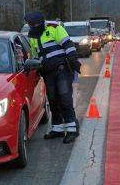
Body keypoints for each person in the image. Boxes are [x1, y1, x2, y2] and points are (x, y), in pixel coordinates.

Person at [24, 11, 81, 144]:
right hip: (47, 72)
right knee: (53, 101)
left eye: (34, 24)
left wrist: (73, 60)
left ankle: (72, 130)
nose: (32, 26)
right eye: (30, 24)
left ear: (40, 22)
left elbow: (68, 45)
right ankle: (58, 129)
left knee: (65, 99)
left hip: (62, 69)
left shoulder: (54, 28)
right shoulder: (32, 35)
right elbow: (35, 55)